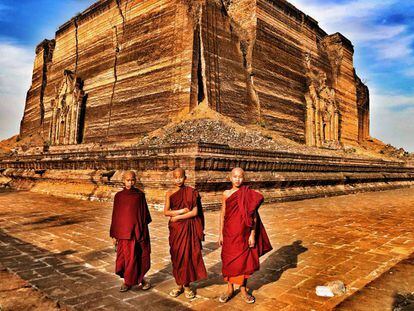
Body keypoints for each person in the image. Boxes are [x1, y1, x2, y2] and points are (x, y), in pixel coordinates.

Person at [218, 167, 272, 304]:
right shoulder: (226, 194)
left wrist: (252, 234)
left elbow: (253, 217)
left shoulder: (247, 194)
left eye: (240, 177)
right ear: (230, 178)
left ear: (244, 178)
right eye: (235, 176)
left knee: (244, 263)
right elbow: (223, 214)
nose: (238, 179)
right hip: (229, 233)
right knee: (228, 261)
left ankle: (243, 289)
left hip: (244, 234)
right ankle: (229, 289)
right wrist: (220, 234)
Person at [164, 168, 207, 299]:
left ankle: (187, 286)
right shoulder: (169, 193)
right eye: (175, 177)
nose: (178, 180)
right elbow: (166, 212)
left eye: (180, 177)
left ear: (185, 177)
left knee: (187, 256)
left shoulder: (192, 192)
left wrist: (177, 217)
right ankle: (179, 284)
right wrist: (181, 211)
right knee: (177, 256)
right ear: (173, 178)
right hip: (176, 230)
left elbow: (194, 212)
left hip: (187, 228)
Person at [110, 171, 152, 292]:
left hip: (137, 233)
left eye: (132, 180)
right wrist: (114, 234)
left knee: (138, 257)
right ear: (123, 180)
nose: (130, 182)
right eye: (128, 180)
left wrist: (143, 232)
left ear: (135, 180)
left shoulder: (140, 195)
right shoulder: (119, 196)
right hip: (123, 234)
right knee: (126, 259)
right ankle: (126, 282)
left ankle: (141, 279)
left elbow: (144, 215)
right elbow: (116, 216)